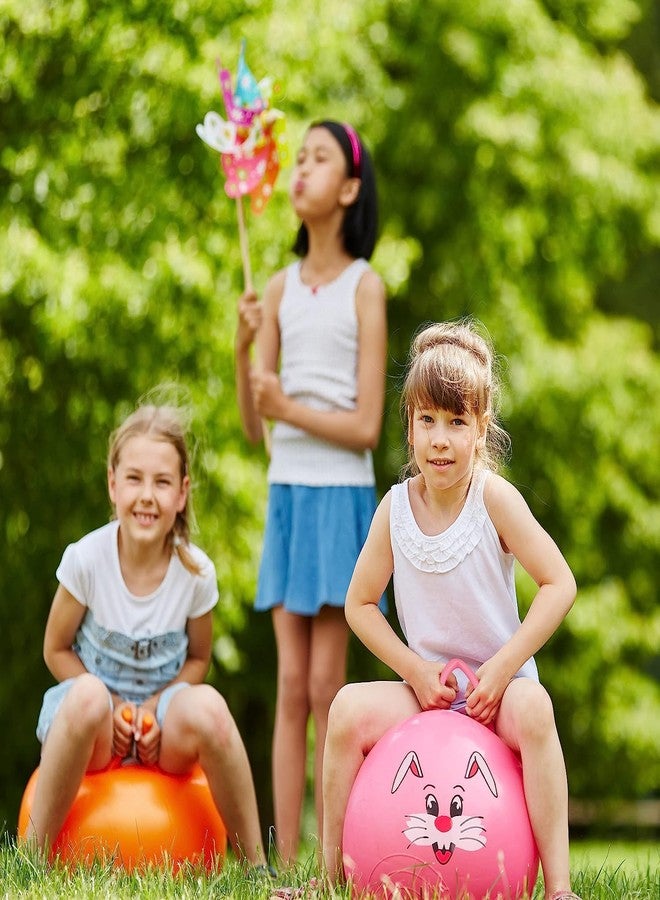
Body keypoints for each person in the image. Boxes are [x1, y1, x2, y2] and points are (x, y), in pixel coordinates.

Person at [321, 320, 582, 900]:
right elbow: (359, 605)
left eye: (457, 422)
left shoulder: (494, 499)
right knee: (345, 710)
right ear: (409, 425)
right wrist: (414, 671)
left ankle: (559, 887)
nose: (440, 439)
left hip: (499, 691)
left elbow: (559, 583)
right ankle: (327, 877)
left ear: (481, 428)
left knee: (537, 709)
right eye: (427, 420)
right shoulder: (394, 509)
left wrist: (504, 669)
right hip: (428, 692)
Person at [23, 403, 268, 870]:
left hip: (163, 727)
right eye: (134, 479)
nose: (147, 496)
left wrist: (154, 707)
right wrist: (113, 705)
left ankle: (256, 867)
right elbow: (55, 649)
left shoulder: (196, 573)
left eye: (162, 482)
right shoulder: (86, 560)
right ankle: (31, 857)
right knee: (87, 695)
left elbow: (198, 660)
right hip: (94, 730)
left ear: (182, 492)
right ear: (113, 483)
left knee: (211, 707)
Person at [235, 120, 387, 863]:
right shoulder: (276, 289)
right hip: (289, 496)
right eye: (297, 159)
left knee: (329, 685)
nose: (300, 170)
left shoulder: (366, 287)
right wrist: (242, 351)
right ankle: (282, 864)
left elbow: (366, 427)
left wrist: (288, 408)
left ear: (350, 188)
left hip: (340, 498)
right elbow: (253, 426)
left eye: (318, 159)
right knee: (291, 683)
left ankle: (330, 861)